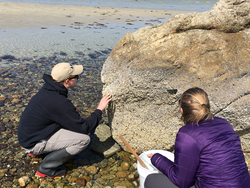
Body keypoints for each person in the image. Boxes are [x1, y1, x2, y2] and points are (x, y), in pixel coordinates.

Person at [18, 62, 112, 178]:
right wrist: (99, 109)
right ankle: (46, 168)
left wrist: (71, 112)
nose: (77, 78)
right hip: (32, 143)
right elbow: (85, 127)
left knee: (73, 121)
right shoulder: (59, 102)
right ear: (67, 81)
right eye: (76, 77)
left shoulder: (48, 89)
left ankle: (35, 152)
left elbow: (57, 111)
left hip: (27, 136)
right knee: (84, 139)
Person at [145, 87, 250, 188]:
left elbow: (182, 182)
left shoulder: (187, 135)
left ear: (182, 111)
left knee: (151, 181)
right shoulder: (224, 123)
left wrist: (157, 158)